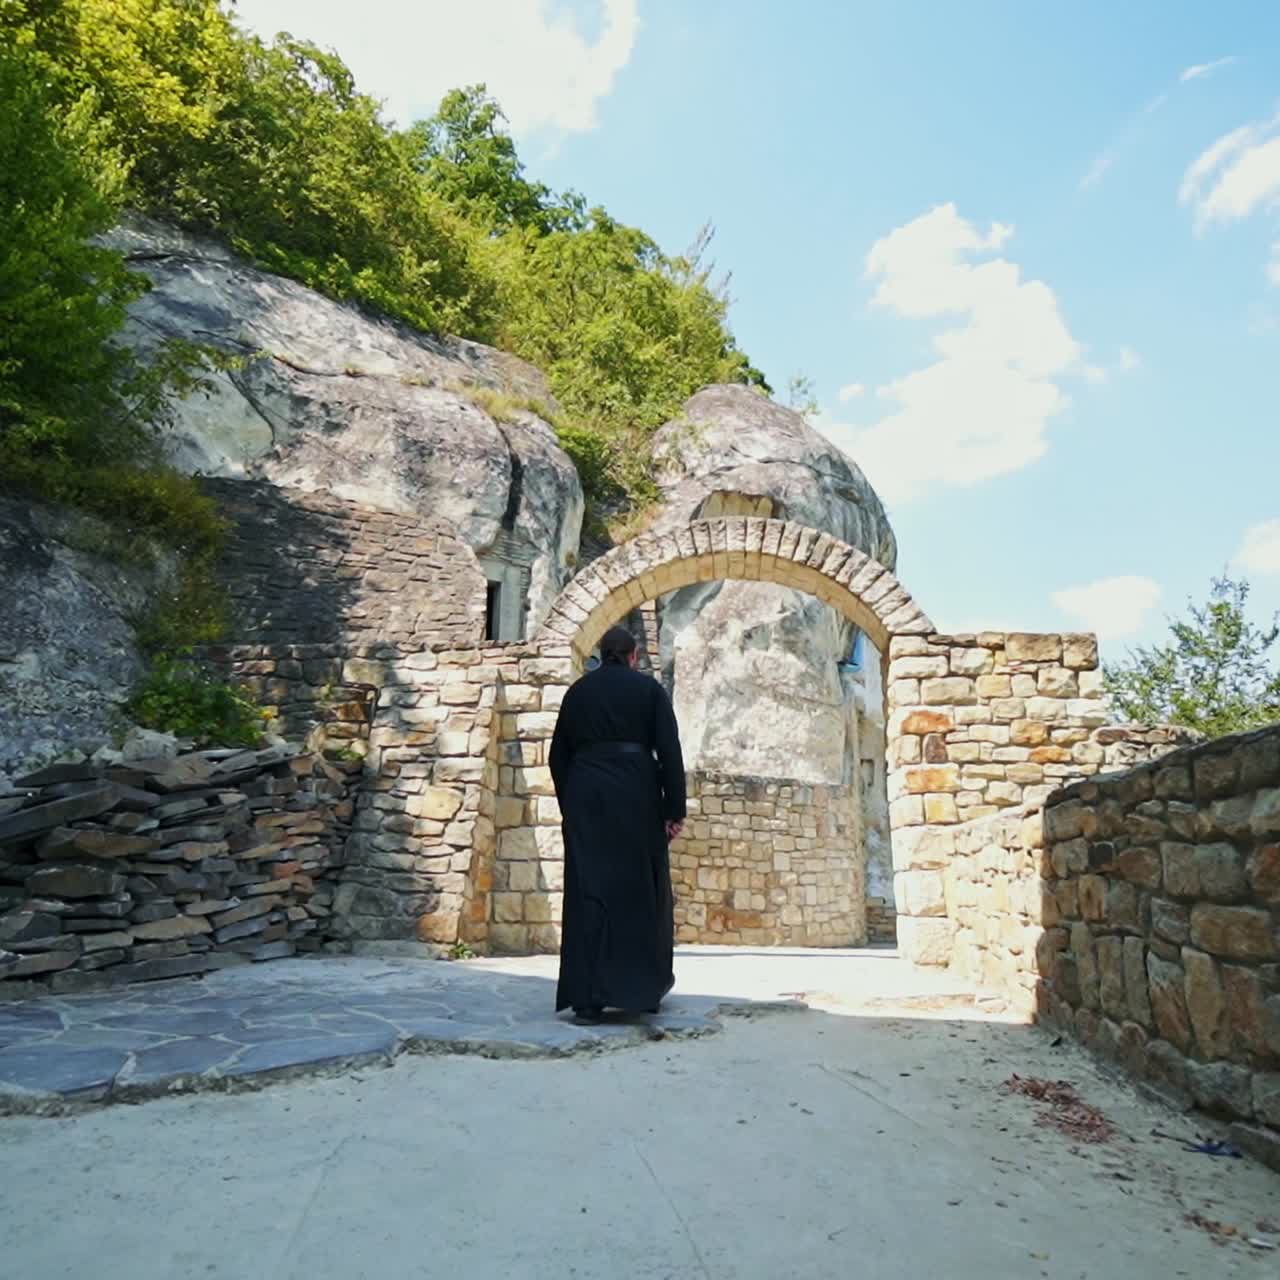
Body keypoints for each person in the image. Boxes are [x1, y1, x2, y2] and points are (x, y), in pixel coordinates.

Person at [549, 625, 686, 1023]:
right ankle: (639, 992)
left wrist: (571, 803)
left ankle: (587, 999)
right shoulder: (649, 691)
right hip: (637, 796)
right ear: (633, 655)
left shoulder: (578, 693)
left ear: (602, 652)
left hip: (586, 797)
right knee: (639, 891)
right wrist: (674, 810)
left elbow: (558, 756)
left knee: (587, 892)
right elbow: (669, 752)